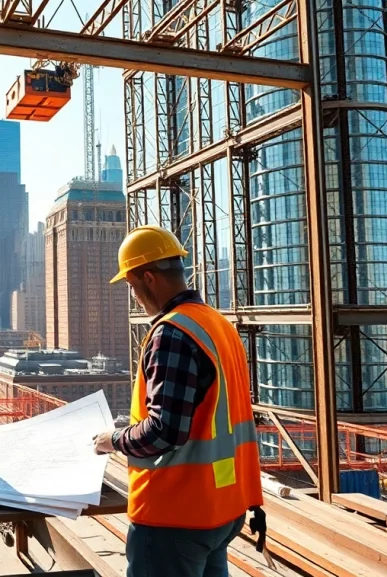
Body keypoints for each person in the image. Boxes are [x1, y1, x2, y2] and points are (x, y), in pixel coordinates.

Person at [92, 225, 264, 577]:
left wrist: (114, 440)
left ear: (149, 278)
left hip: (175, 516)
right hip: (223, 508)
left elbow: (165, 431)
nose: (135, 297)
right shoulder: (218, 324)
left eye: (132, 286)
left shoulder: (172, 333)